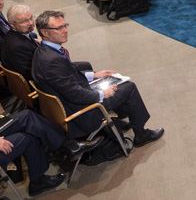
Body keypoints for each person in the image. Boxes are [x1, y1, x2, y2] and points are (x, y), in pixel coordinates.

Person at [31, 9, 165, 146]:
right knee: (129, 88)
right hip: (80, 113)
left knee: (113, 82)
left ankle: (119, 120)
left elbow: (67, 76)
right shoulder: (52, 61)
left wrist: (94, 75)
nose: (65, 30)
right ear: (44, 32)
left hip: (69, 101)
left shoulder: (43, 51)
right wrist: (101, 94)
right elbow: (74, 94)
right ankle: (141, 135)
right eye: (59, 28)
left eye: (65, 26)